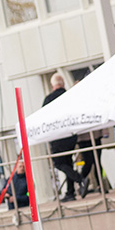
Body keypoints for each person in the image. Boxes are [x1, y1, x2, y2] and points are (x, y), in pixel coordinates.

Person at [42, 72, 84, 200]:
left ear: (52, 85)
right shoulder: (70, 96)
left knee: (59, 163)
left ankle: (79, 178)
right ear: (63, 84)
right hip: (70, 135)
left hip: (57, 136)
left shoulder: (49, 99)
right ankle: (70, 193)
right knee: (68, 163)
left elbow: (43, 118)